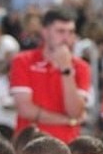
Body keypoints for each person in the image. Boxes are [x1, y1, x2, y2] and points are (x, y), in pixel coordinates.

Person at [9, 8, 90, 141]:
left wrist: (66, 70)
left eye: (71, 32)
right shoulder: (23, 61)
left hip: (67, 145)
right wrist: (68, 121)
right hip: (30, 144)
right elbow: (26, 109)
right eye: (60, 31)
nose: (66, 38)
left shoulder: (82, 67)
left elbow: (75, 112)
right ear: (45, 32)